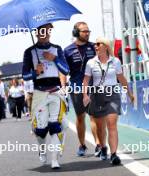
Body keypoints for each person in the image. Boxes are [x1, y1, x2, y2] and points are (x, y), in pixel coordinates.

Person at [22, 23, 69, 169]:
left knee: (55, 126)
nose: (45, 34)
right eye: (42, 31)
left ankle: (55, 160)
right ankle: (42, 149)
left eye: (48, 31)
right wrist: (36, 72)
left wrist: (53, 58)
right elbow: (25, 75)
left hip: (55, 92)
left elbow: (66, 70)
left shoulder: (57, 49)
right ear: (36, 33)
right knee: (41, 130)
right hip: (39, 93)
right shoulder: (29, 52)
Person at [83, 37, 134, 165]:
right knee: (100, 127)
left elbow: (121, 78)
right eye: (95, 44)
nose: (96, 46)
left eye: (98, 44)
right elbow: (86, 81)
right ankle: (103, 147)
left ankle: (114, 154)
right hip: (97, 95)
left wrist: (129, 93)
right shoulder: (90, 62)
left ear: (106, 46)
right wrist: (85, 95)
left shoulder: (115, 61)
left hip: (112, 94)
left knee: (112, 124)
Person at [64, 22, 100, 156]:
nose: (87, 33)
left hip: (93, 86)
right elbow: (63, 71)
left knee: (94, 116)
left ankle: (98, 144)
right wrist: (63, 87)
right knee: (80, 117)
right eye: (84, 31)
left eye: (88, 31)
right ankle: (82, 145)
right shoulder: (67, 50)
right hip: (76, 88)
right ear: (76, 33)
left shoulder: (94, 47)